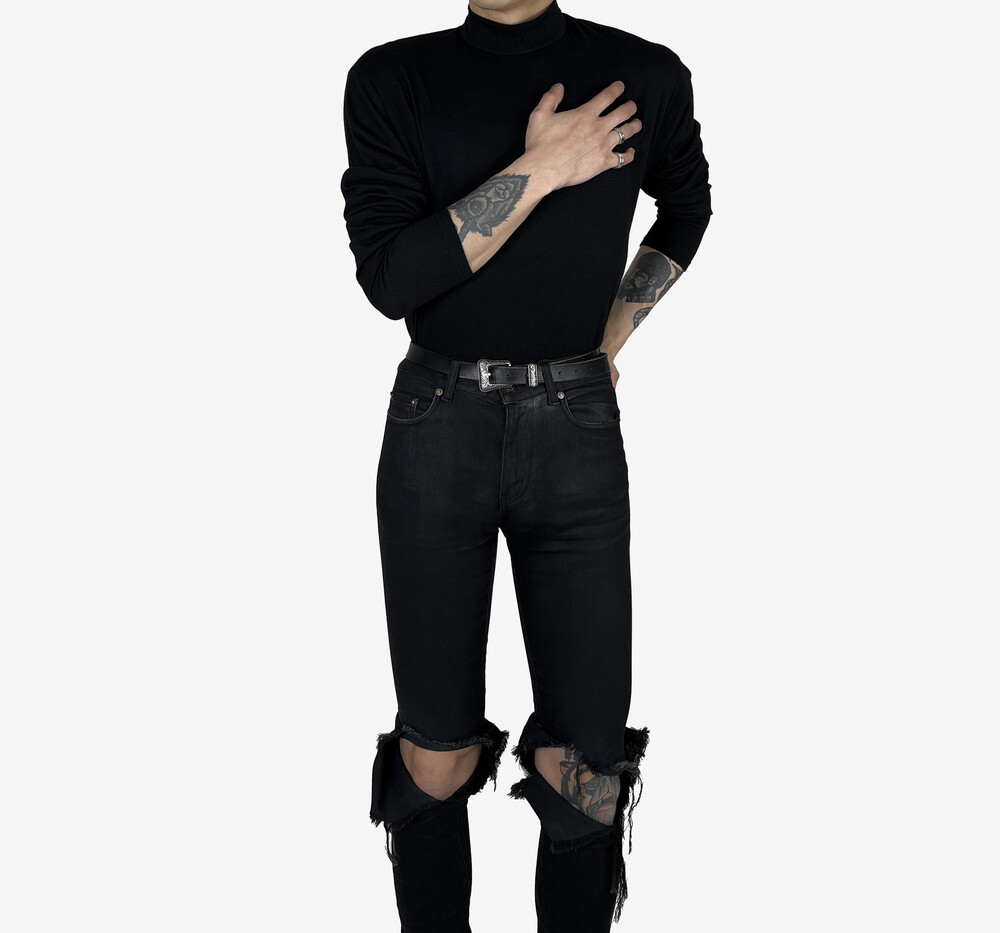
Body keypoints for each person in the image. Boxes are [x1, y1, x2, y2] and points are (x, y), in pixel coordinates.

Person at [340, 1, 712, 929]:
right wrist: (544, 166)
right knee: (436, 753)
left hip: (576, 428)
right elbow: (393, 279)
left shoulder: (643, 73)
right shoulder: (392, 78)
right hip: (437, 426)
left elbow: (688, 206)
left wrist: (608, 337)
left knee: (586, 770)